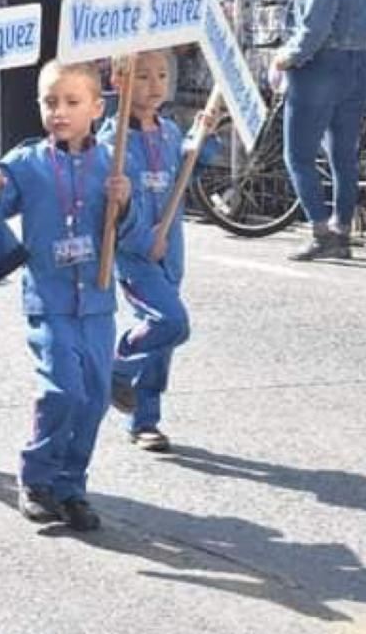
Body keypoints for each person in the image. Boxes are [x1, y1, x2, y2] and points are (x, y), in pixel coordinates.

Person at [0, 61, 136, 531]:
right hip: (51, 300)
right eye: (50, 102)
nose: (59, 111)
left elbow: (133, 229)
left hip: (98, 300)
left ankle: (71, 485)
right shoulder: (27, 162)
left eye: (72, 102)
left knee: (95, 396)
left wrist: (124, 202)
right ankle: (37, 478)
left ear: (97, 109)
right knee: (61, 390)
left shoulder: (112, 161)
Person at [98, 51, 217, 452]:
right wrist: (141, 237)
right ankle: (115, 367)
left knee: (161, 341)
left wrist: (202, 141)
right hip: (136, 256)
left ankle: (145, 420)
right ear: (118, 80)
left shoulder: (168, 132)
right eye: (144, 76)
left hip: (171, 253)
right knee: (171, 322)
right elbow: (110, 206)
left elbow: (184, 175)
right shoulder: (110, 142)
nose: (155, 85)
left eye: (162, 75)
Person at [273, 0, 366, 261]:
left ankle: (321, 233)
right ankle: (343, 231)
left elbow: (311, 34)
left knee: (299, 155)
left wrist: (284, 58)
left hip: (321, 68)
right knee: (343, 155)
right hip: (359, 65)